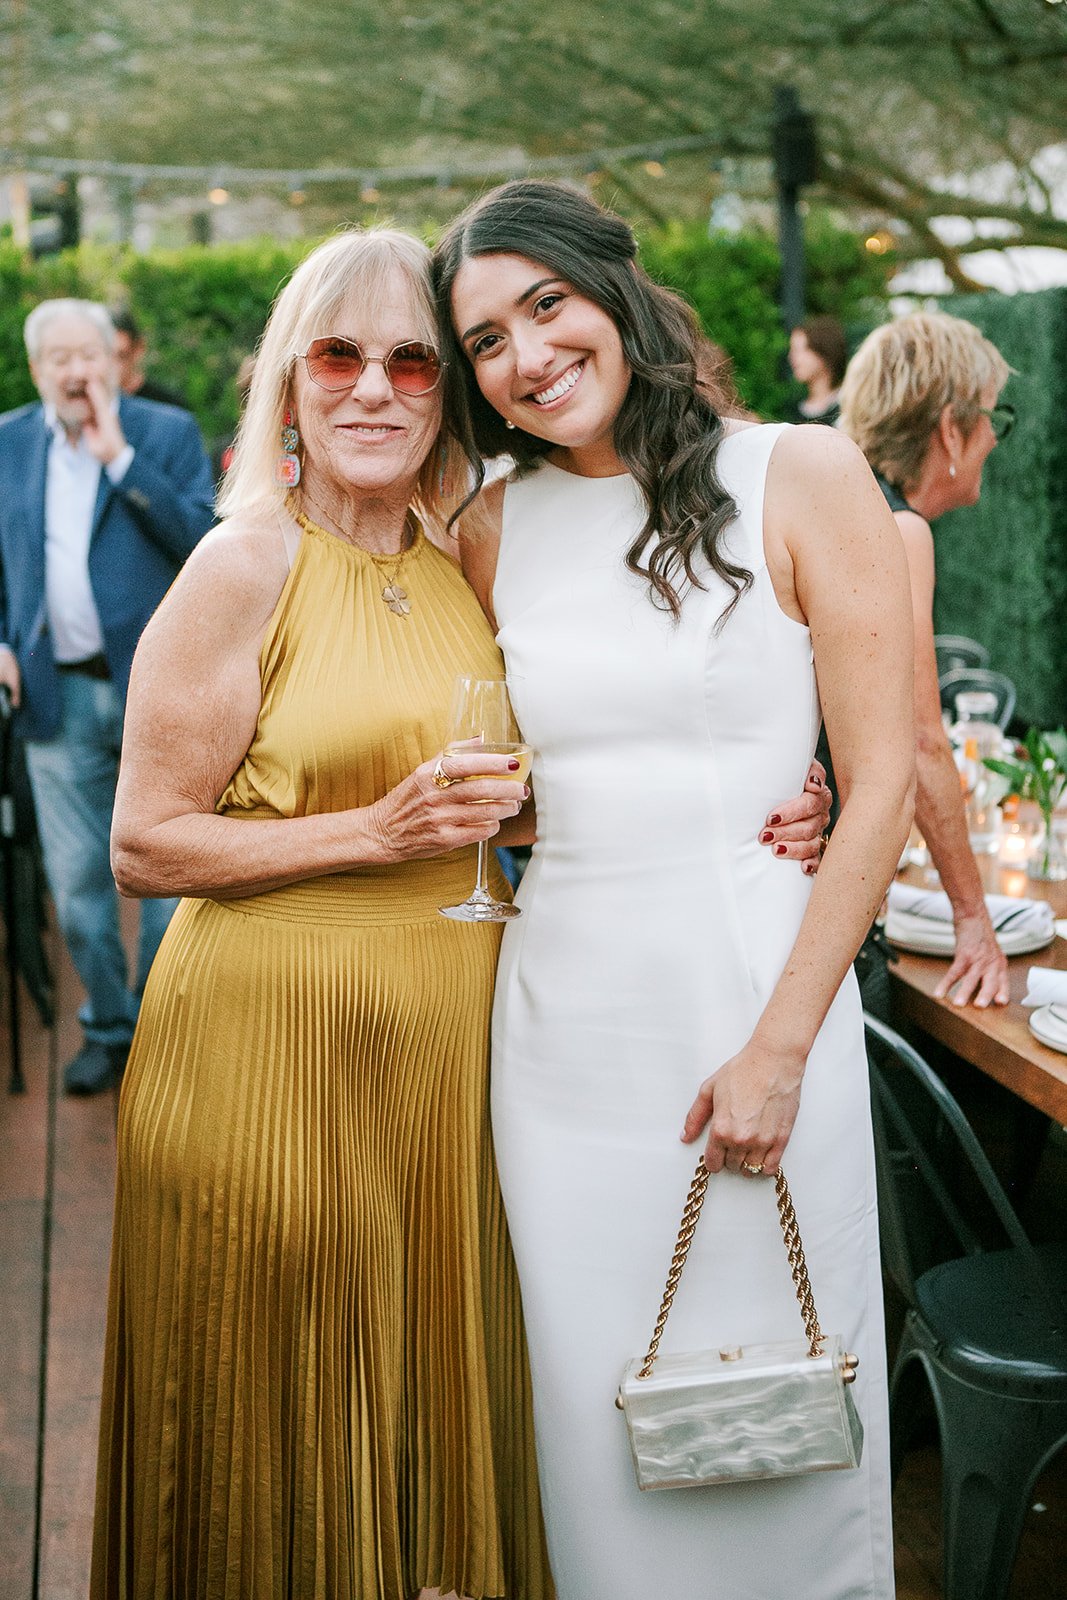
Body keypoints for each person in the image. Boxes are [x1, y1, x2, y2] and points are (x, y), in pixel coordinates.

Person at [434, 180, 915, 1599]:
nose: (522, 356)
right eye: (481, 342)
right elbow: (509, 779)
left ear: (615, 292)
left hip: (755, 994)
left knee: (780, 1377)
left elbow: (877, 782)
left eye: (543, 305)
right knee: (597, 1401)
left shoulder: (802, 473)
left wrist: (777, 1049)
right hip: (562, 1026)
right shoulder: (484, 526)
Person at [91, 228, 554, 1600]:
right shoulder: (245, 565)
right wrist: (376, 829)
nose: (373, 388)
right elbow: (141, 844)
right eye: (337, 356)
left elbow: (515, 789)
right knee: (283, 1409)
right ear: (288, 385)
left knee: (419, 1401)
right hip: (266, 1057)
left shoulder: (465, 560)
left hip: (445, 1055)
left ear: (445, 394)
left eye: (411, 359)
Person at [0, 299, 215, 1093]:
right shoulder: (8, 440)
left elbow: (201, 543)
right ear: (37, 370)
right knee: (81, 886)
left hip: (159, 696)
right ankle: (109, 1024)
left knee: (168, 880)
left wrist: (119, 458)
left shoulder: (163, 433)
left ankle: (163, 1025)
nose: (73, 370)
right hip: (55, 694)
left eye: (85, 354)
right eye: (55, 357)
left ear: (112, 359)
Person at [839, 310, 1013, 1009]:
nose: (995, 437)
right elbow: (916, 738)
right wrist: (973, 918)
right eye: (992, 417)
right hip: (838, 913)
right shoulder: (897, 528)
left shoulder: (840, 507)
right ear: (949, 428)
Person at [110, 305, 190, 410]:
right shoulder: (89, 405)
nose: (109, 366)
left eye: (120, 356)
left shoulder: (167, 405)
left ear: (138, 349)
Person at [786, 313, 847, 427]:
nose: (791, 357)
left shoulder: (848, 406)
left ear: (823, 352)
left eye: (798, 350)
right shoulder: (793, 410)